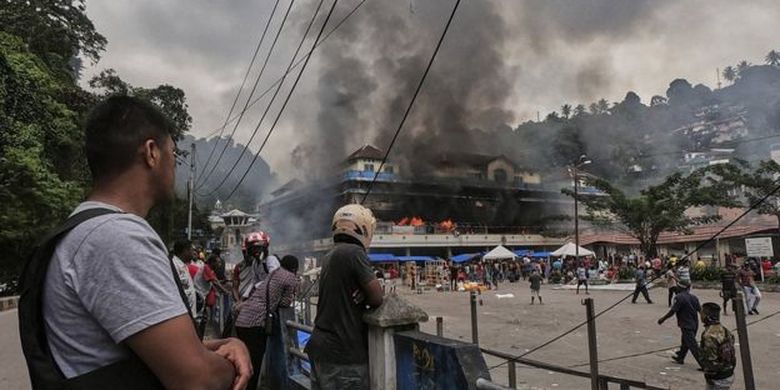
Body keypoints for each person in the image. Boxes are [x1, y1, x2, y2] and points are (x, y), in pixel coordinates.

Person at [19, 96, 250, 389]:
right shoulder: (116, 237)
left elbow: (131, 354)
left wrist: (222, 344)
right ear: (152, 152)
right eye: (174, 154)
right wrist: (233, 360)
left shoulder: (86, 230)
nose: (175, 166)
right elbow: (197, 380)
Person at [305, 204, 384, 390]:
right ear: (364, 228)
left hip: (320, 347)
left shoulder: (330, 255)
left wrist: (361, 293)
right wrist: (366, 295)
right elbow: (377, 297)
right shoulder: (354, 253)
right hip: (343, 354)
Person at [234, 255, 300, 390]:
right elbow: (285, 302)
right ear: (295, 268)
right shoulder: (291, 278)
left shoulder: (274, 273)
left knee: (242, 361)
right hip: (256, 323)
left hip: (243, 319)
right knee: (253, 364)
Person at [658, 280, 703, 367]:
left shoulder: (679, 297)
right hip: (694, 324)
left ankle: (705, 365)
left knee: (693, 346)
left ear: (680, 288)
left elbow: (672, 311)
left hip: (686, 325)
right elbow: (701, 310)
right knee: (685, 342)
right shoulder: (694, 297)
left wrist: (663, 319)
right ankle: (680, 358)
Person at [233, 231, 279, 303]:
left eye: (258, 248)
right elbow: (254, 281)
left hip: (271, 298)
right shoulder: (255, 263)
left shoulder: (270, 259)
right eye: (253, 249)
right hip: (261, 296)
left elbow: (273, 280)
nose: (256, 252)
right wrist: (243, 298)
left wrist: (256, 287)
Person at [699, 303, 736, 390]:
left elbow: (711, 361)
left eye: (701, 313)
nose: (700, 315)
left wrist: (709, 375)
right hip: (728, 372)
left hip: (718, 377)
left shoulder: (709, 335)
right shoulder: (724, 330)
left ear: (706, 316)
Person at [172, 240, 197, 318]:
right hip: (181, 315)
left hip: (189, 314)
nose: (194, 252)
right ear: (185, 251)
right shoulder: (174, 265)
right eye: (192, 250)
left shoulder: (183, 265)